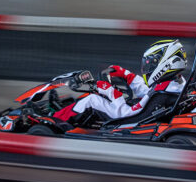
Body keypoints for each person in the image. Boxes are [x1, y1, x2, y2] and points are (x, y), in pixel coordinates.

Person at [53, 39, 188, 127]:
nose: (147, 67)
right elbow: (147, 91)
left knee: (91, 100)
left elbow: (125, 113)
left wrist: (112, 92)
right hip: (141, 115)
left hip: (127, 121)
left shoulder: (161, 93)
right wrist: (127, 76)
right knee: (99, 96)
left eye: (151, 63)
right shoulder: (175, 83)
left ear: (165, 63)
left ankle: (55, 120)